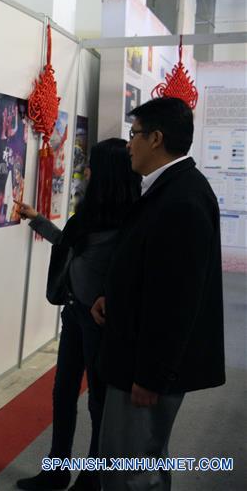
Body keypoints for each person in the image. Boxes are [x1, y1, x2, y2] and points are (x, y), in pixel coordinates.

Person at [92, 98, 225, 491]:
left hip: (144, 369)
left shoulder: (182, 199)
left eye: (133, 135)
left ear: (156, 138)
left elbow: (175, 302)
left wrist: (150, 377)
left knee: (130, 471)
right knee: (135, 460)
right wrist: (114, 298)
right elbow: (153, 272)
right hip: (136, 355)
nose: (128, 144)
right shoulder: (168, 189)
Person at [14, 139, 141, 491]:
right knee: (63, 393)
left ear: (106, 173)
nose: (85, 171)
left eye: (91, 166)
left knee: (99, 403)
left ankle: (93, 477)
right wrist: (38, 220)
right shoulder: (88, 213)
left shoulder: (132, 221)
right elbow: (71, 246)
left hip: (102, 323)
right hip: (74, 314)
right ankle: (56, 470)